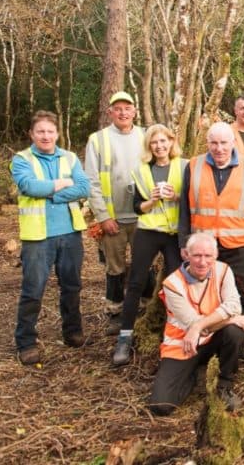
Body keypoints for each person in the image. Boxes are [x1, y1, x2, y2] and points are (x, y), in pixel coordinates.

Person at [178, 122, 244, 361]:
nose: (219, 148)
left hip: (240, 243)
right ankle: (208, 334)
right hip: (203, 246)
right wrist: (184, 243)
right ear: (207, 143)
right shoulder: (194, 165)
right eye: (214, 143)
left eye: (224, 143)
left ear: (233, 143)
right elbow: (184, 209)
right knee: (204, 291)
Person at [148, 233, 244, 416]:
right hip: (183, 345)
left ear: (215, 256)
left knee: (234, 333)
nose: (202, 261)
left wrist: (202, 326)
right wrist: (231, 319)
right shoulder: (172, 284)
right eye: (197, 255)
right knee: (161, 405)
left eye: (208, 256)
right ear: (186, 255)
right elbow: (196, 324)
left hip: (213, 339)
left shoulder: (223, 270)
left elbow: (233, 305)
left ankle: (224, 385)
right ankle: (195, 375)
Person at [11, 111, 91, 365]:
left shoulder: (69, 157)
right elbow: (30, 187)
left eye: (50, 131)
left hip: (70, 233)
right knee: (33, 290)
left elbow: (84, 188)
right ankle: (26, 342)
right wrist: (62, 183)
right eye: (40, 132)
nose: (46, 136)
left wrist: (51, 192)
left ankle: (72, 331)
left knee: (72, 285)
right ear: (32, 134)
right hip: (38, 237)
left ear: (57, 133)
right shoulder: (21, 159)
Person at [112, 124, 186, 367]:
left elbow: (192, 199)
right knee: (135, 282)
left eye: (163, 141)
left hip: (174, 233)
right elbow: (136, 206)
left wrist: (175, 195)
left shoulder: (184, 166)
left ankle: (177, 332)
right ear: (149, 146)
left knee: (178, 284)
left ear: (171, 142)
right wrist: (151, 200)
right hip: (149, 230)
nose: (160, 146)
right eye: (155, 142)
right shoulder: (141, 170)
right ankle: (124, 336)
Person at [84, 91, 145, 334]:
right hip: (114, 219)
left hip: (143, 217)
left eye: (127, 108)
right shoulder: (98, 140)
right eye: (117, 108)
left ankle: (145, 307)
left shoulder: (145, 136)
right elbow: (91, 180)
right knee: (115, 267)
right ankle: (115, 311)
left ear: (134, 112)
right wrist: (103, 217)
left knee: (145, 265)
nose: (122, 112)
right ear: (110, 112)